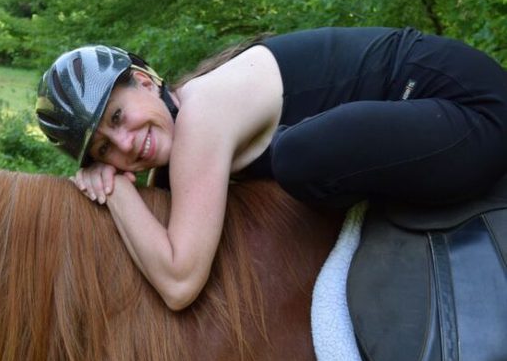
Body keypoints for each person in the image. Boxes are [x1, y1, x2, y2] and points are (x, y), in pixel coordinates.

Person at [34, 27, 507, 311]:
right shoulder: (189, 131)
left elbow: (180, 282)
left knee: (300, 157)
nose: (125, 144)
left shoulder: (203, 114)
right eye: (104, 150)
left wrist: (116, 192)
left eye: (118, 117)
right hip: (440, 118)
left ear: (144, 80)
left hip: (471, 110)